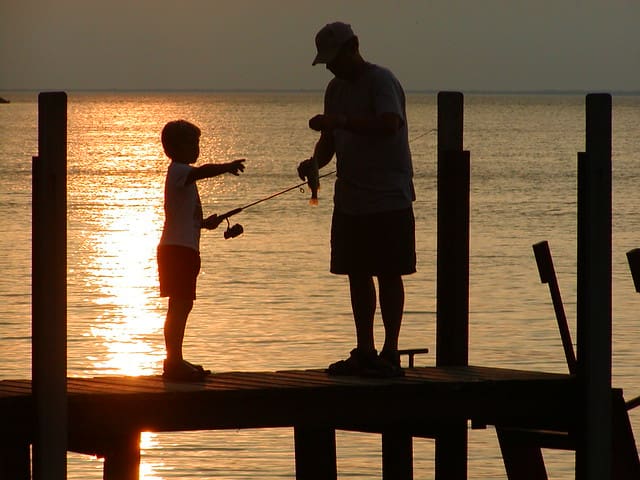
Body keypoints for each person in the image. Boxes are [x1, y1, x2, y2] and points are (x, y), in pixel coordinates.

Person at [298, 22, 416, 378]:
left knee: (390, 272)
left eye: (335, 59)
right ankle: (365, 350)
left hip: (389, 195)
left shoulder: (382, 81)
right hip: (350, 198)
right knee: (357, 273)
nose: (331, 67)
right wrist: (315, 163)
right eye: (327, 62)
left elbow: (389, 124)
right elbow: (329, 142)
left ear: (354, 48)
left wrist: (342, 120)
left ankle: (390, 351)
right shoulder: (334, 90)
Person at [158, 120, 245, 381]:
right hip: (177, 251)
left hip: (183, 248)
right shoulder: (179, 171)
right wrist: (227, 167)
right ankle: (173, 362)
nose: (197, 148)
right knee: (179, 306)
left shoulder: (180, 175)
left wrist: (205, 224)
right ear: (175, 147)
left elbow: (184, 216)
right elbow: (202, 172)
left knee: (182, 306)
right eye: (192, 143)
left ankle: (176, 359)